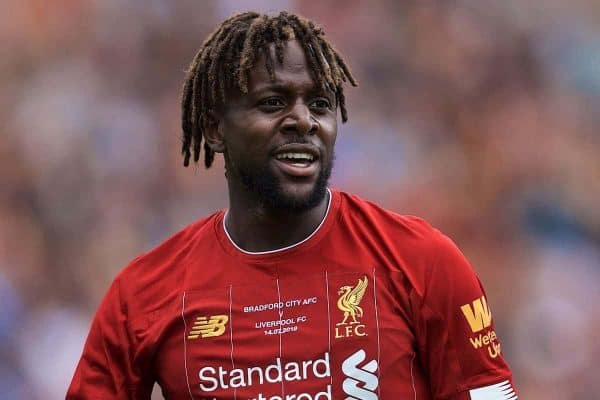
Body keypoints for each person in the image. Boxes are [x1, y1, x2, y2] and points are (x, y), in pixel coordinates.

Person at [67, 11, 517, 400]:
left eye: (319, 104)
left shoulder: (421, 261)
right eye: (273, 102)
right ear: (215, 130)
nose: (303, 120)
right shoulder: (144, 296)